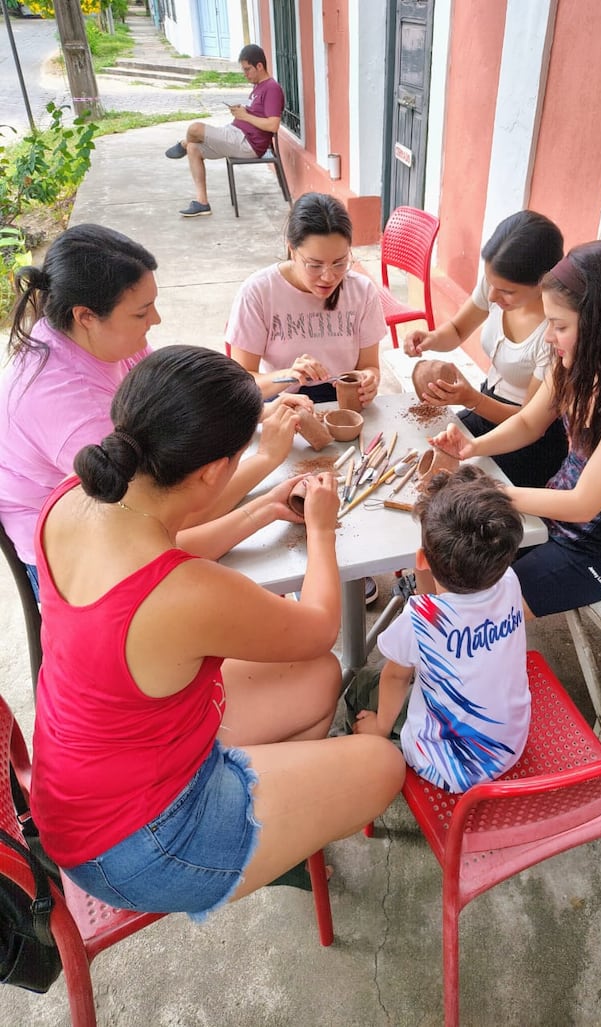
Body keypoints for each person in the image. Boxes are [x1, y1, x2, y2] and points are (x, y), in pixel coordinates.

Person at [30, 345, 405, 919]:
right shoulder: (186, 592)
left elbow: (164, 549)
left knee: (317, 677)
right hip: (139, 846)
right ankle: (249, 835)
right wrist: (323, 532)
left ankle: (271, 821)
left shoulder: (78, 497)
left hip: (85, 785)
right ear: (211, 471)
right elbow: (316, 627)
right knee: (383, 765)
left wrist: (260, 511)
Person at [0, 223, 308, 596]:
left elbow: (180, 398)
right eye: (141, 312)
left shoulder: (100, 340)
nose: (156, 320)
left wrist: (259, 402)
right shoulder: (68, 403)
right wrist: (267, 459)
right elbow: (174, 519)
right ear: (85, 316)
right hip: (73, 562)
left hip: (124, 514)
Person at [429, 240, 601, 619]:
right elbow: (528, 422)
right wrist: (472, 447)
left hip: (594, 553)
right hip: (547, 522)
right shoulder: (581, 361)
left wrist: (493, 492)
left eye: (559, 325)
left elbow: (584, 504)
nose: (549, 336)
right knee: (443, 548)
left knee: (480, 612)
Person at [350, 465, 529, 794]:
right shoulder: (508, 581)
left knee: (361, 685)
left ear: (420, 560)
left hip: (446, 765)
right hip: (510, 744)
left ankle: (374, 747)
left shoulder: (419, 619)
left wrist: (379, 727)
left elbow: (395, 677)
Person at [403, 210, 568, 488]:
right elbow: (456, 331)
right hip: (485, 405)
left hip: (528, 443)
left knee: (468, 504)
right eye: (491, 284)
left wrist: (470, 399)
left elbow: (528, 423)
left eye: (506, 291)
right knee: (422, 453)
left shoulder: (556, 334)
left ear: (543, 282)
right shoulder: (497, 285)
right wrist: (430, 338)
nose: (492, 296)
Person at [226, 192, 386, 409]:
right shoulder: (259, 292)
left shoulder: (362, 291)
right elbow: (241, 383)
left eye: (340, 263)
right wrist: (288, 375)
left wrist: (369, 380)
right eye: (314, 265)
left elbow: (369, 366)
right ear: (292, 250)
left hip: (343, 403)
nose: (328, 277)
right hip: (282, 400)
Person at [165, 44, 285, 218]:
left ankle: (182, 144)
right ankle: (202, 203)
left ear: (259, 66)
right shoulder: (258, 86)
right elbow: (257, 113)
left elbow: (273, 125)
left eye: (247, 69)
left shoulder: (272, 88)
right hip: (236, 134)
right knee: (194, 148)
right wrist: (242, 110)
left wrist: (245, 116)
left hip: (247, 144)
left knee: (194, 130)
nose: (245, 74)